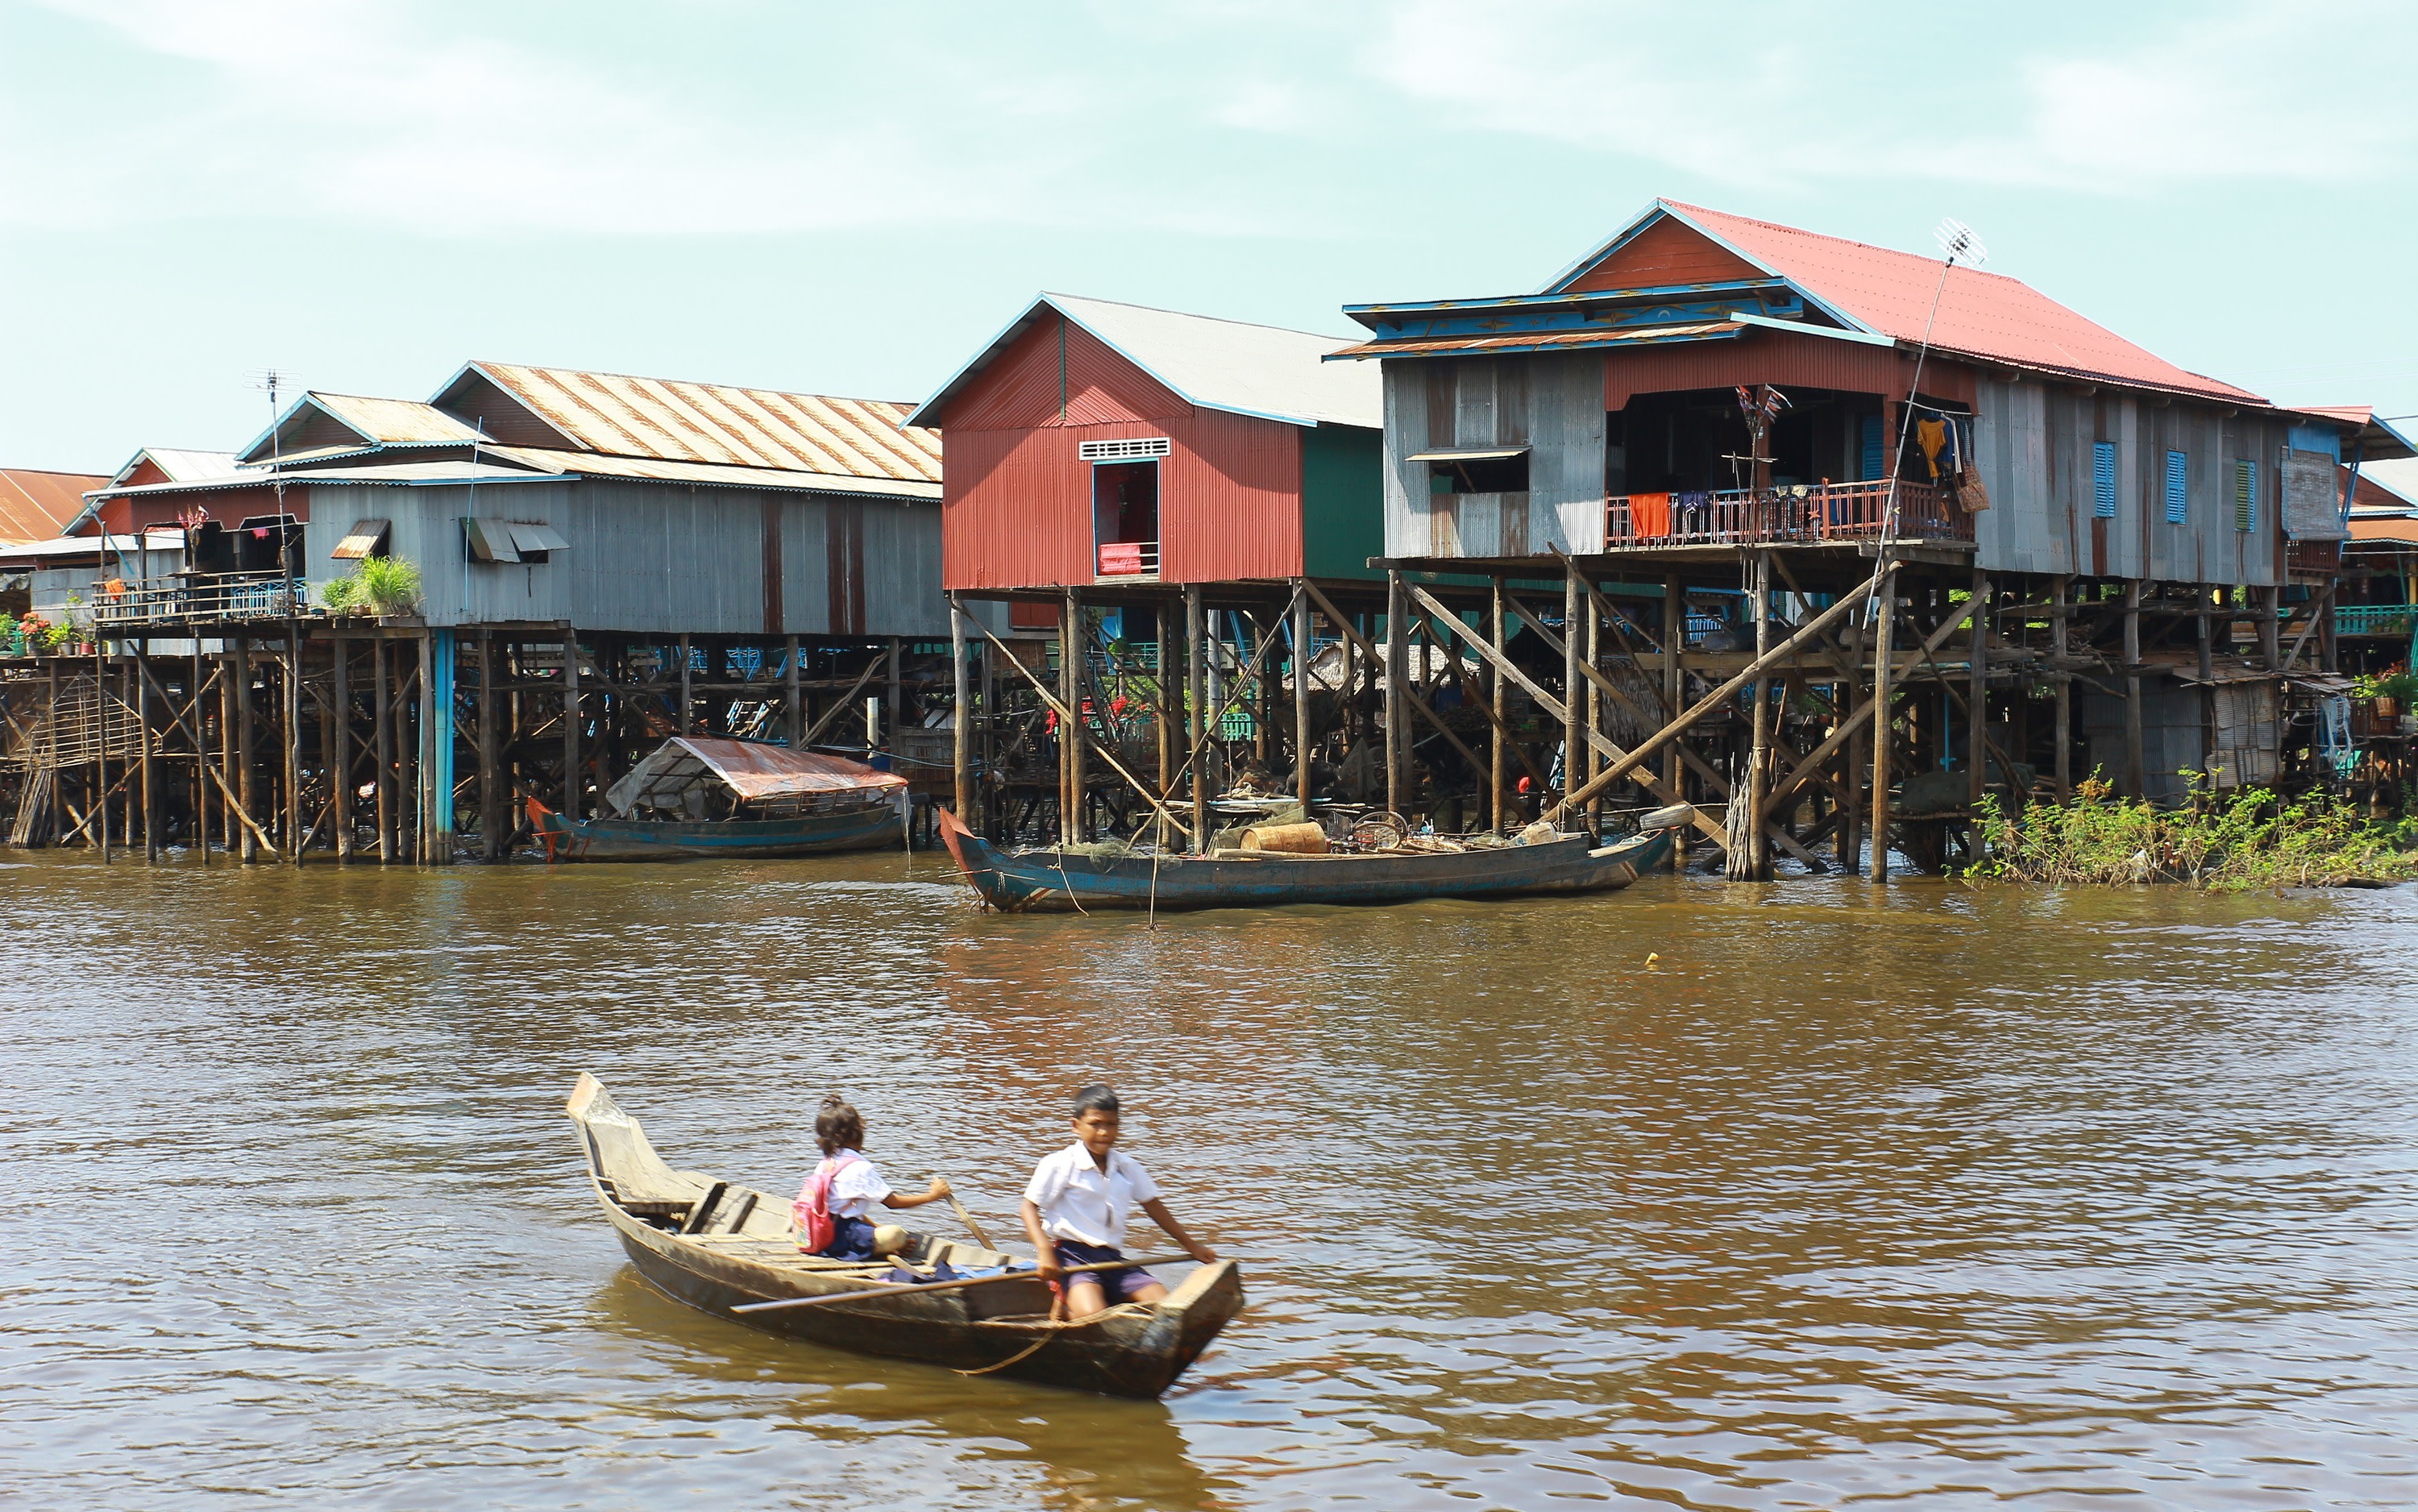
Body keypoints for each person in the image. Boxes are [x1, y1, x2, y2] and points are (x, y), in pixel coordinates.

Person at [1020, 1084, 1217, 1319]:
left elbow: (1153, 1205)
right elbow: (1028, 1207)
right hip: (1072, 1259)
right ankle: (1066, 1305)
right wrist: (1044, 1252)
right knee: (1094, 1317)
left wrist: (1191, 1246)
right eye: (1095, 1124)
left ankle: (1109, 1298)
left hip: (1112, 1260)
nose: (1103, 1132)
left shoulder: (1126, 1167)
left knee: (1168, 1310)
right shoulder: (1060, 1164)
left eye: (1111, 1125)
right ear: (1076, 1126)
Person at [796, 1095, 952, 1261]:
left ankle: (877, 1247)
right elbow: (893, 1203)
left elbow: (844, 1209)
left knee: (879, 1231)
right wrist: (933, 1196)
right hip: (840, 1237)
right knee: (897, 1235)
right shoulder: (860, 1167)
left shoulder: (827, 1162)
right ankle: (878, 1250)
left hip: (820, 1231)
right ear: (858, 1133)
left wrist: (875, 1227)